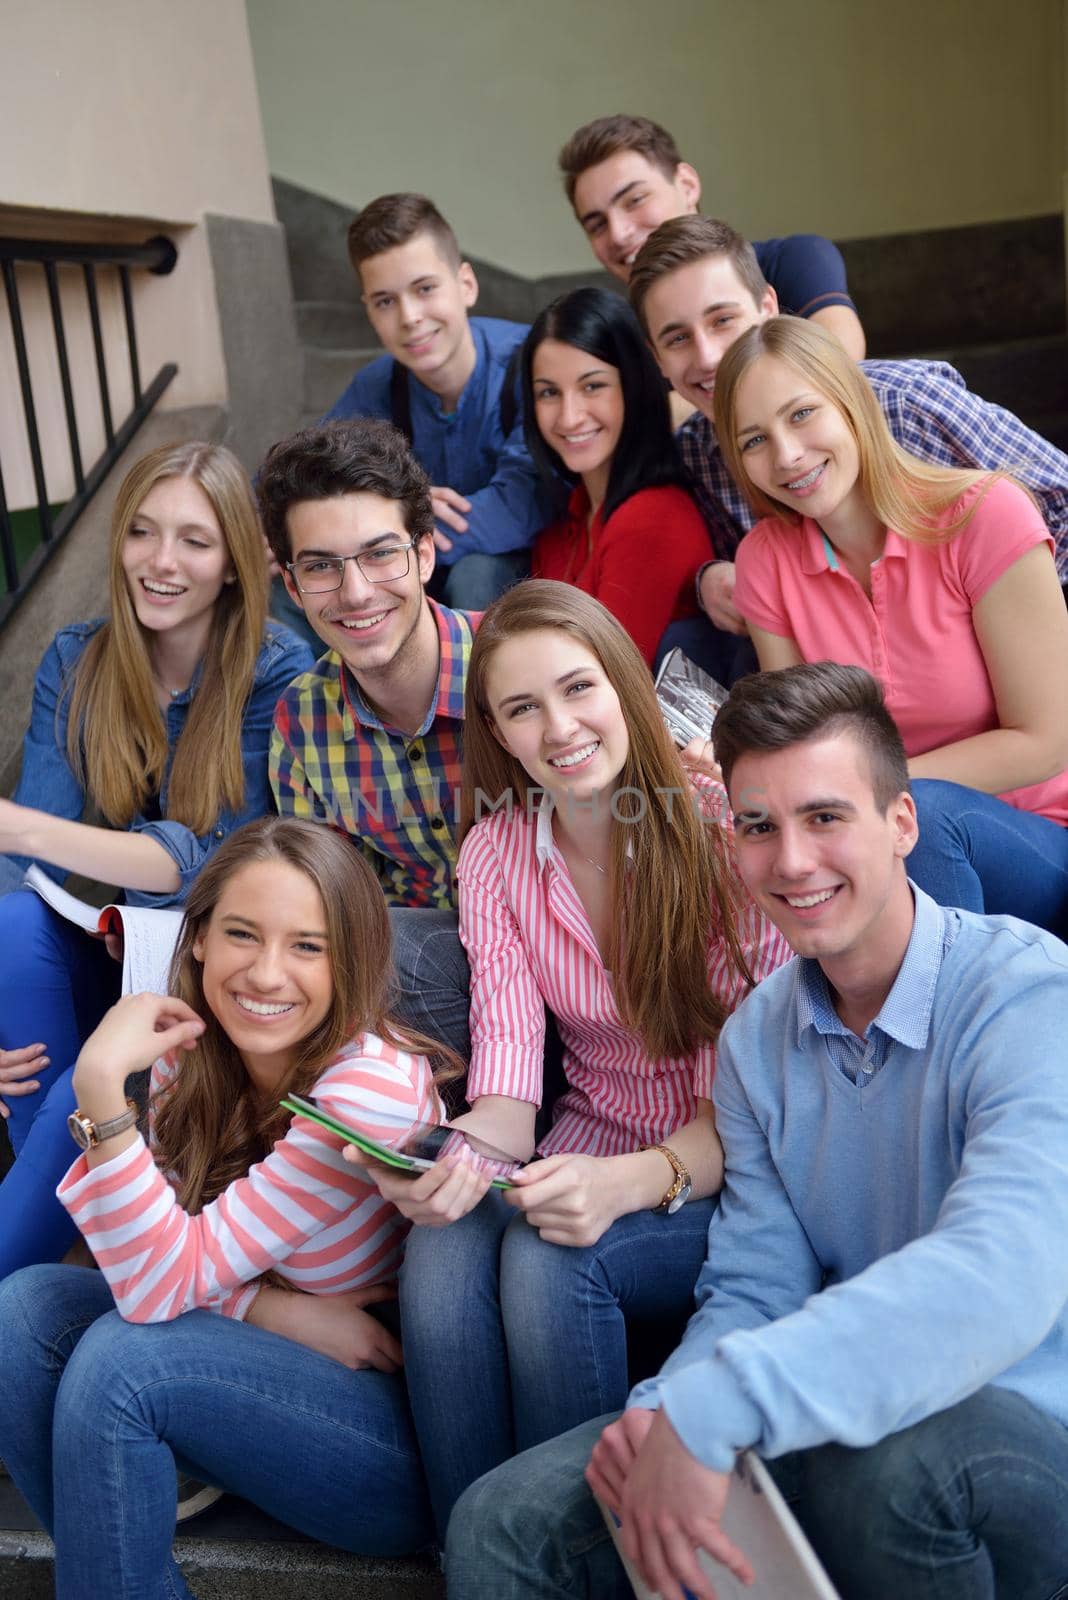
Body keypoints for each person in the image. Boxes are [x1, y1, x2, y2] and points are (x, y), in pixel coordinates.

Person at [445, 662, 1068, 1600]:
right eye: (758, 828)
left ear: (902, 824)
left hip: (1024, 1423)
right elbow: (753, 1286)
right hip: (832, 1409)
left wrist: (715, 1409)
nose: (792, 862)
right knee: (505, 1521)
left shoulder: (1024, 991)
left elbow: (1002, 1272)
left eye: (826, 818)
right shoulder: (756, 1041)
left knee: (893, 1470)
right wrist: (660, 1415)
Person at [363, 580, 790, 1540]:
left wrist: (624, 1182)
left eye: (578, 688)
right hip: (581, 1143)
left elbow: (753, 1106)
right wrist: (438, 1157)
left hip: (728, 1169)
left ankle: (568, 1554)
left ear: (624, 685)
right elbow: (509, 1091)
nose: (559, 727)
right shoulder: (497, 855)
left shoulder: (728, 831)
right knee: (442, 1243)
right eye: (523, 707)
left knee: (552, 1261)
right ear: (499, 732)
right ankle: (472, 1547)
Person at [0, 815, 462, 1594]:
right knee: (20, 1313)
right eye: (242, 935)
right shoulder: (198, 1049)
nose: (267, 974)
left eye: (307, 946)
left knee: (126, 1364)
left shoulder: (366, 1087)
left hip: (383, 1448)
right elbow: (153, 1260)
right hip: (247, 1383)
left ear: (351, 958)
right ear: (201, 936)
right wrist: (274, 1311)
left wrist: (101, 1088)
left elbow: (158, 1286)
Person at [0, 441, 314, 1281]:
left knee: (82, 1080)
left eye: (194, 541)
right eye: (142, 532)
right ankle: (69, 1211)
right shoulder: (79, 656)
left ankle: (45, 1233)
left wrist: (20, 831)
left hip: (218, 963)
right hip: (121, 943)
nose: (161, 562)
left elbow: (208, 862)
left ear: (236, 567)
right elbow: (26, 868)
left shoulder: (275, 671)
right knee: (13, 920)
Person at [714, 314, 1068, 936]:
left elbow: (1048, 741)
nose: (787, 455)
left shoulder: (984, 515)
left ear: (852, 402)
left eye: (801, 414)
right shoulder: (764, 561)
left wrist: (870, 789)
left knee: (920, 821)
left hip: (1040, 834)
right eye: (754, 440)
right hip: (878, 837)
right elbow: (803, 748)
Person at [627, 214, 1068, 676]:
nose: (709, 356)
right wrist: (706, 580)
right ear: (657, 359)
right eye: (677, 338)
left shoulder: (903, 401)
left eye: (723, 320)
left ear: (767, 308)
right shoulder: (697, 452)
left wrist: (1017, 628)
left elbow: (1058, 501)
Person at [262, 418, 478, 1060]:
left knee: (393, 955)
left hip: (564, 962)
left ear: (426, 553)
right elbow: (329, 898)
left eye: (381, 554)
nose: (356, 593)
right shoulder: (302, 720)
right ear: (294, 586)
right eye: (322, 567)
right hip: (420, 990)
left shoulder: (519, 663)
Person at [320, 192, 554, 610]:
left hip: (521, 565)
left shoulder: (532, 362)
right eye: (385, 301)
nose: (409, 317)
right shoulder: (379, 385)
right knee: (297, 587)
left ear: (466, 284)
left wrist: (394, 530)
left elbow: (518, 505)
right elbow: (303, 474)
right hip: (410, 559)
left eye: (425, 288)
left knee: (477, 575)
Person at [558, 113, 865, 360]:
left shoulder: (791, 259)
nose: (619, 233)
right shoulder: (612, 334)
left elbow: (839, 360)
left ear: (688, 185)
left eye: (635, 200)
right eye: (597, 224)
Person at [523, 286, 712, 666]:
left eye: (593, 386)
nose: (569, 417)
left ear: (634, 386)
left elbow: (605, 676)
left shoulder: (653, 517)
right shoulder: (561, 526)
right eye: (548, 393)